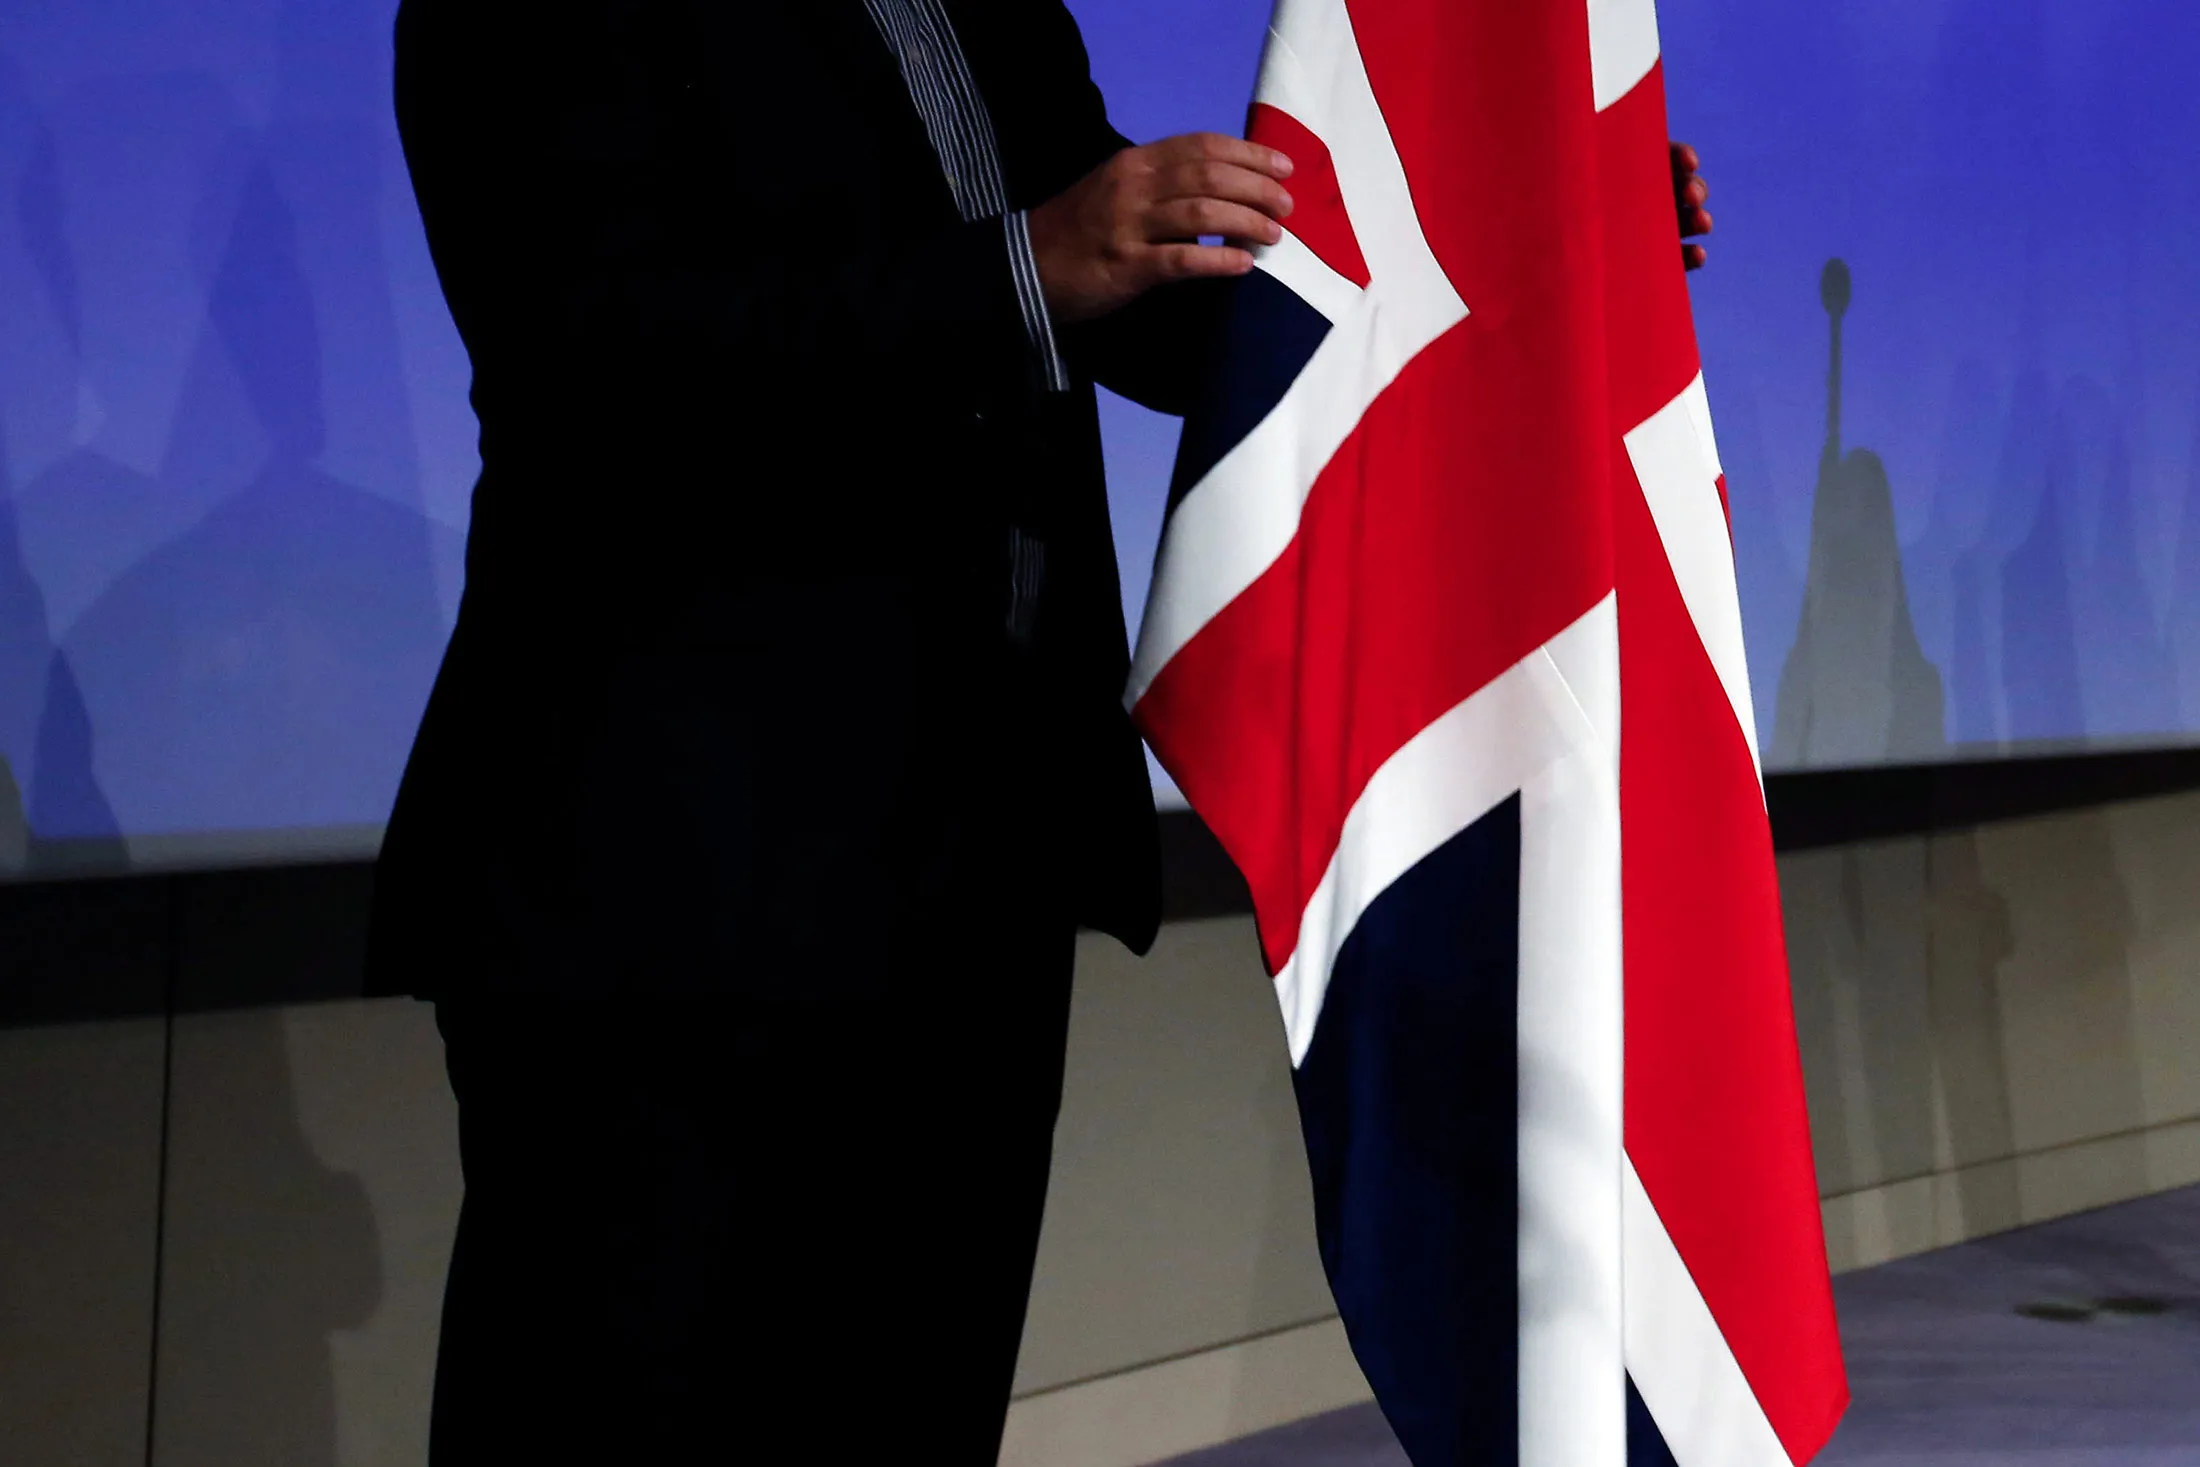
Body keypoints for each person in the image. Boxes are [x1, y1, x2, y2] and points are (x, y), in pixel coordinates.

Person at [369, 1, 1715, 1459]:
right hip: (670, 887)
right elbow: (594, 352)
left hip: (971, 862)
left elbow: (1138, 287)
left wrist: (1526, 246)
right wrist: (1024, 263)